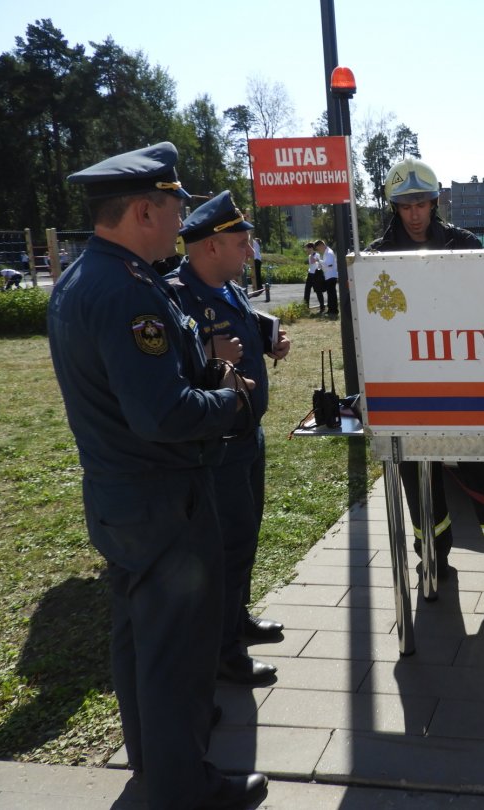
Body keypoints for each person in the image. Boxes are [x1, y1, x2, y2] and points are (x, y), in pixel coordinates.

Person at [47, 142, 267, 808]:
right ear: (144, 209)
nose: (182, 223)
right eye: (175, 209)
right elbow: (162, 413)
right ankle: (182, 787)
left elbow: (146, 384)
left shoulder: (95, 276)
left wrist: (202, 371)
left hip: (124, 499)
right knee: (177, 655)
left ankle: (155, 760)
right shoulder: (125, 291)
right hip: (163, 500)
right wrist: (232, 401)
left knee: (141, 642)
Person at [368, 157, 484, 583]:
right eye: (406, 206)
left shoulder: (462, 242)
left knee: (483, 466)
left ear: (434, 203)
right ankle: (432, 557)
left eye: (421, 205)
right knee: (418, 478)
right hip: (406, 389)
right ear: (395, 207)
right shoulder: (375, 257)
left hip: (462, 380)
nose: (413, 214)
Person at [165, 191, 292, 688]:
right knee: (225, 546)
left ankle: (236, 619)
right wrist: (205, 351)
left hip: (245, 434)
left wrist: (269, 341)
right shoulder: (175, 295)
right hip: (214, 445)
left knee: (246, 535)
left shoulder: (230, 286)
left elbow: (241, 331)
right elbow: (167, 374)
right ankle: (223, 652)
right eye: (240, 242)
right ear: (211, 246)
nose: (248, 250)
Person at [315, 238, 339, 316]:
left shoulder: (329, 252)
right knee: (330, 293)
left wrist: (320, 261)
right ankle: (331, 310)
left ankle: (333, 310)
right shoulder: (326, 253)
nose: (319, 250)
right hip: (329, 275)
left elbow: (329, 264)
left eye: (318, 248)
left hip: (331, 275)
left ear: (322, 245)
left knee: (332, 294)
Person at [303, 240, 326, 313]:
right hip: (310, 274)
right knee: (307, 290)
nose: (306, 250)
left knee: (318, 291)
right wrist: (310, 254)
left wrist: (312, 253)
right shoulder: (310, 255)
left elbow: (313, 262)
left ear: (311, 248)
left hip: (316, 274)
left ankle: (322, 307)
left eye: (307, 248)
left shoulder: (317, 255)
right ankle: (306, 307)